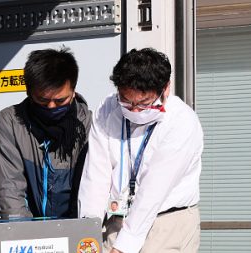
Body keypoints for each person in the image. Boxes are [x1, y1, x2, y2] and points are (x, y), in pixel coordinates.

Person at [78, 48, 203, 253]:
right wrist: (87, 233)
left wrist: (123, 248)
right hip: (116, 219)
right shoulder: (108, 108)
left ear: (166, 89)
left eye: (144, 104)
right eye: (127, 102)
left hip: (166, 222)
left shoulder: (181, 121)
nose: (134, 111)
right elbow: (95, 175)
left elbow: (154, 190)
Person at [0, 48, 91, 219]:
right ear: (29, 92)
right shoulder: (10, 122)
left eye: (60, 100)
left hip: (77, 228)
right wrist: (25, 236)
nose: (51, 107)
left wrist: (78, 231)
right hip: (30, 232)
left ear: (73, 91)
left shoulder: (89, 125)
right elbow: (10, 190)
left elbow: (91, 190)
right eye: (42, 100)